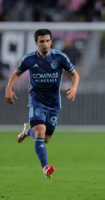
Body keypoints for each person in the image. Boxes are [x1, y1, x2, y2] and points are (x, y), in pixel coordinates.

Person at [5, 29, 80, 179]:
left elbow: (75, 74)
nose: (45, 44)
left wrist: (74, 87)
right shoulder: (29, 59)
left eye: (47, 41)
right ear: (36, 43)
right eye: (41, 41)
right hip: (36, 101)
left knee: (45, 139)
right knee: (40, 133)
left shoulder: (59, 57)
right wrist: (8, 87)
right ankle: (46, 168)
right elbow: (16, 74)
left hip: (53, 103)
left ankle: (27, 132)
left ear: (51, 41)